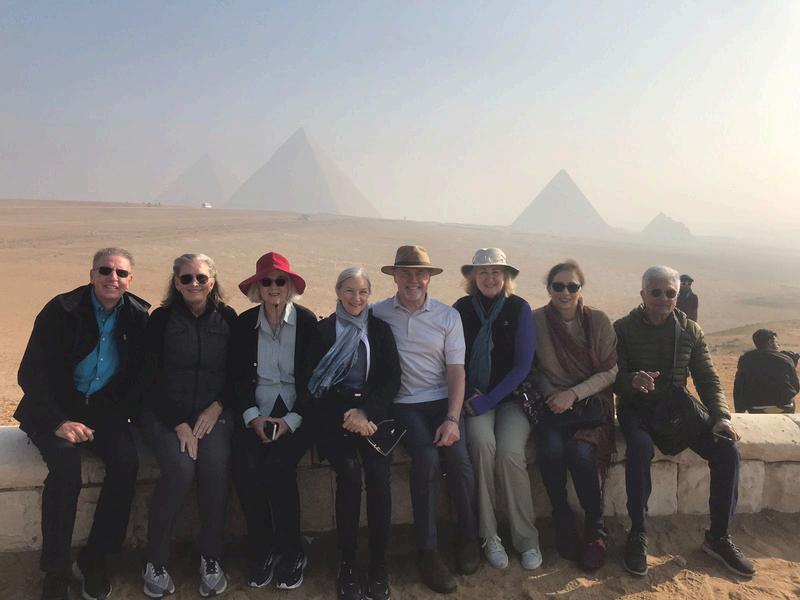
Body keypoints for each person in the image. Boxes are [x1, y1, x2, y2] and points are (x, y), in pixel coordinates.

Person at [15, 248, 149, 600]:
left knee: (126, 463)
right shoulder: (62, 310)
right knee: (66, 471)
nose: (112, 278)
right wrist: (58, 421)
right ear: (91, 275)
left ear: (130, 280)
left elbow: (140, 377)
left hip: (103, 410)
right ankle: (56, 571)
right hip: (54, 410)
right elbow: (31, 372)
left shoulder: (138, 316)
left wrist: (118, 414)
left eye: (121, 273)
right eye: (105, 271)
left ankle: (95, 560)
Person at [614, 266, 755, 578]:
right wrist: (631, 381)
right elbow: (613, 377)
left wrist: (721, 416)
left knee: (727, 451)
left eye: (670, 293)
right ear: (643, 294)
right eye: (656, 292)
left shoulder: (690, 330)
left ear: (677, 296)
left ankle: (718, 537)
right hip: (637, 410)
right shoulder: (622, 329)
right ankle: (638, 532)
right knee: (639, 449)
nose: (664, 298)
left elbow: (707, 377)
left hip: (676, 410)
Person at [371, 245, 479, 595]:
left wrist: (452, 418)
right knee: (427, 459)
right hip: (405, 404)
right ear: (394, 276)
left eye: (420, 273)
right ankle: (428, 551)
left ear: (429, 277)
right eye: (405, 272)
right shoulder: (377, 314)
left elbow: (457, 372)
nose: (413, 280)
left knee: (459, 459)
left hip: (443, 401)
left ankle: (468, 536)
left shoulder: (448, 316)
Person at [138, 254, 237, 598]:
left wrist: (217, 407)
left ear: (212, 281)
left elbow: (237, 374)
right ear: (176, 283)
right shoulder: (161, 320)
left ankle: (211, 555)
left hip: (213, 412)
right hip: (164, 414)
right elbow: (148, 377)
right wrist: (178, 422)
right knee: (180, 468)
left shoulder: (227, 318)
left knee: (215, 466)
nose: (194, 284)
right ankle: (155, 559)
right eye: (186, 278)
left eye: (201, 278)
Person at [308, 267, 401, 600]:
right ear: (337, 291)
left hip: (371, 417)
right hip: (335, 417)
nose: (356, 298)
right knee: (348, 476)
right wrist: (348, 415)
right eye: (349, 290)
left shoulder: (380, 330)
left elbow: (391, 379)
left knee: (378, 476)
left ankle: (378, 564)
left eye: (363, 292)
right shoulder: (322, 332)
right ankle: (347, 563)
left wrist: (367, 413)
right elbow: (314, 384)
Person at [230, 251, 319, 591]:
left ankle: (293, 551)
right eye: (266, 281)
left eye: (280, 281)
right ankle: (262, 547)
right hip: (258, 409)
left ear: (290, 286)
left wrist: (292, 420)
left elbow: (315, 380)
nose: (273, 287)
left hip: (297, 411)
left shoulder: (307, 323)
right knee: (246, 468)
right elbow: (237, 377)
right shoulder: (244, 324)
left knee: (280, 467)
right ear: (258, 288)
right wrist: (252, 417)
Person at [453, 248, 541, 571]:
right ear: (473, 277)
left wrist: (489, 399)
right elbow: (454, 359)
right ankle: (489, 535)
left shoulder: (519, 309)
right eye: (483, 272)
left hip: (511, 399)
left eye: (496, 272)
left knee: (510, 454)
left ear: (505, 277)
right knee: (481, 446)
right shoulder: (461, 310)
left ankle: (526, 539)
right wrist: (468, 396)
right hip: (474, 398)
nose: (490, 278)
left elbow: (522, 366)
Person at [532, 260, 617, 571]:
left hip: (591, 406)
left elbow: (611, 370)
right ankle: (563, 520)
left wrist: (573, 394)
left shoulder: (598, 321)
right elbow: (532, 368)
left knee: (581, 454)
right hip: (553, 406)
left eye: (572, 286)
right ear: (549, 289)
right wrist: (553, 395)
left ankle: (596, 530)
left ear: (581, 289)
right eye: (558, 286)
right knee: (551, 450)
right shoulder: (536, 321)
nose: (565, 292)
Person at [734, 329, 799, 414]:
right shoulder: (786, 359)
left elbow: (739, 386)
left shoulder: (745, 359)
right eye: (776, 342)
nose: (778, 345)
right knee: (791, 401)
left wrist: (739, 410)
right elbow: (795, 386)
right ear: (770, 342)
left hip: (756, 407)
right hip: (784, 407)